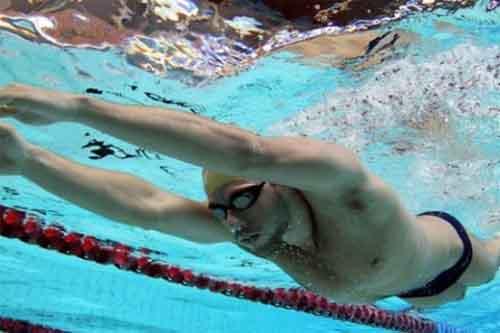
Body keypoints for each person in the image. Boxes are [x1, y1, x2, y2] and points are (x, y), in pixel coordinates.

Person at [0, 83, 498, 308]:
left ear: (278, 183)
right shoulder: (254, 232)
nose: (231, 223)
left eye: (239, 199)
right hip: (405, 292)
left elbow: (247, 152)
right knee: (435, 306)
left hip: (460, 262)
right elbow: (147, 207)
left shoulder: (343, 186)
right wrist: (28, 161)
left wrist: (76, 108)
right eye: (220, 209)